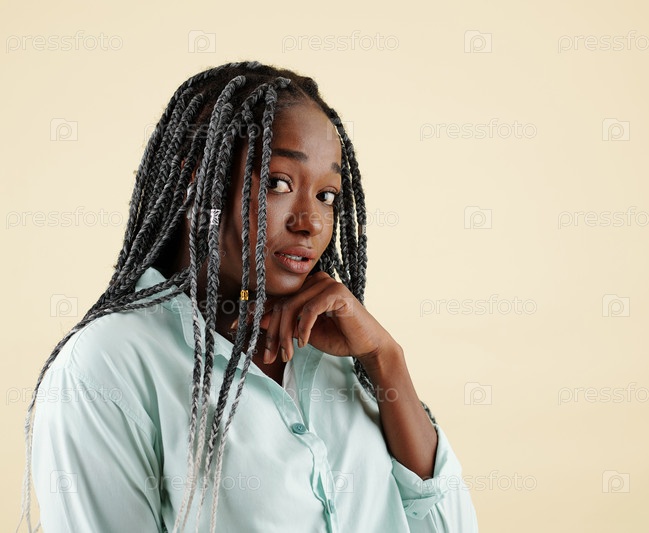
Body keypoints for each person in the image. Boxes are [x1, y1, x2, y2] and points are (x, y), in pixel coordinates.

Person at [18, 61, 479, 532]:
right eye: (279, 183)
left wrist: (386, 360)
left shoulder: (338, 351)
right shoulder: (107, 367)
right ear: (198, 179)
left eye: (327, 195)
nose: (310, 222)